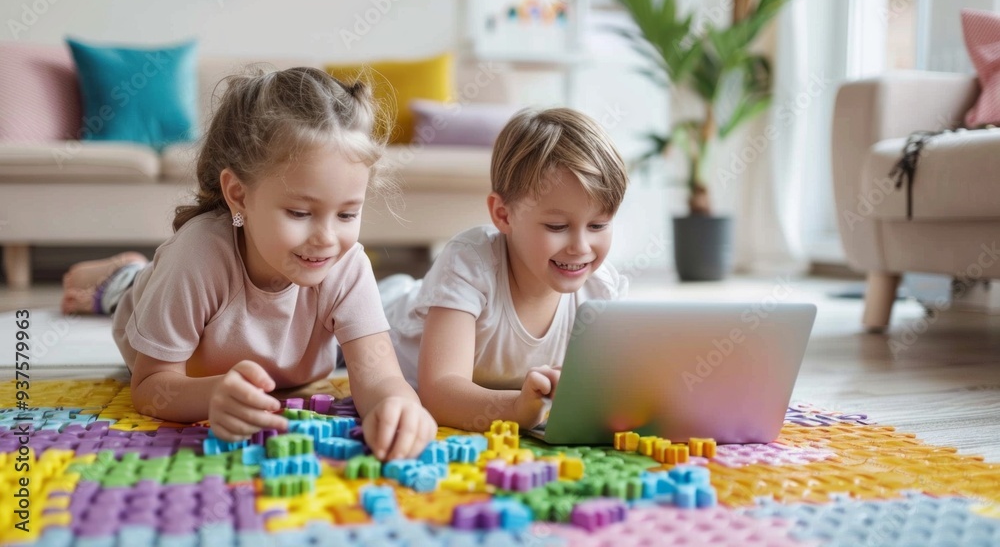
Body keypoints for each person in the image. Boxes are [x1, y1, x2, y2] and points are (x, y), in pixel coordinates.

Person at [60, 66, 437, 459]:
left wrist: (398, 405)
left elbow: (380, 376)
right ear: (239, 195)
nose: (327, 238)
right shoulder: (195, 258)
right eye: (299, 213)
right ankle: (118, 274)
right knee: (124, 290)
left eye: (346, 215)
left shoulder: (345, 265)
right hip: (147, 306)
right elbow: (151, 386)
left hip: (257, 348)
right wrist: (210, 395)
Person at [380, 107, 629, 433]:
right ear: (503, 215)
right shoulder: (469, 263)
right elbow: (439, 392)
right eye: (557, 226)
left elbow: (614, 388)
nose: (581, 246)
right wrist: (514, 409)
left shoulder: (602, 289)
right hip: (383, 319)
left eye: (598, 224)